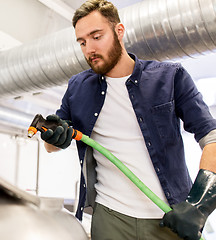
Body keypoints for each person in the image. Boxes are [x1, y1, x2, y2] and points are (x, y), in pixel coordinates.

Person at [41, 0, 216, 239]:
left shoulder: (170, 77)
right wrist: (55, 138)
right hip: (110, 217)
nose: (89, 49)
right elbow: (51, 144)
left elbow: (212, 139)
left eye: (96, 36)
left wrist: (199, 206)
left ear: (119, 31)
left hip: (168, 218)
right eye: (82, 42)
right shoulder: (77, 87)